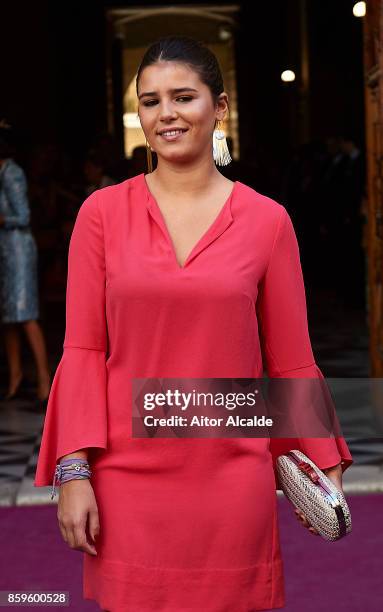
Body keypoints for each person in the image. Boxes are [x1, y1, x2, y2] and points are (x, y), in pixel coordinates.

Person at [34, 36, 353, 611]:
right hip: (126, 474)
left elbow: (290, 358)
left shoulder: (268, 221)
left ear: (220, 107)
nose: (166, 114)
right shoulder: (101, 215)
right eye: (151, 101)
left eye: (183, 97)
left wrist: (323, 470)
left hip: (232, 474)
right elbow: (82, 350)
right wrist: (73, 471)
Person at [0, 120, 51, 403]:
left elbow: (24, 216)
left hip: (19, 248)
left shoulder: (12, 173)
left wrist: (2, 219)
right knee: (9, 317)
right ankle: (15, 377)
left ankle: (45, 378)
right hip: (4, 251)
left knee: (26, 313)